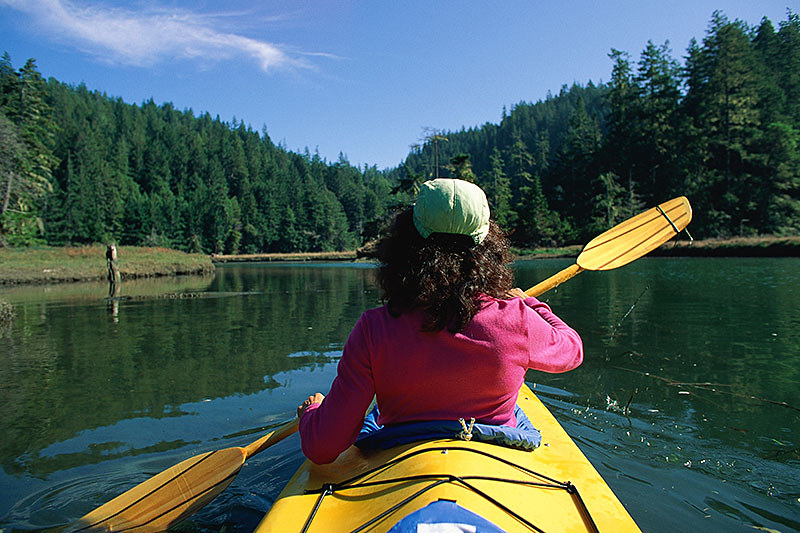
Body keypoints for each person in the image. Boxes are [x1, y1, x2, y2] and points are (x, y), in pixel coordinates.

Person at [297, 178, 583, 464]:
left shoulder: (373, 328)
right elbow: (572, 351)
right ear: (488, 246)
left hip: (401, 451)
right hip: (495, 451)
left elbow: (323, 447)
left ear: (405, 241)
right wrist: (530, 305)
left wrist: (313, 414)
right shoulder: (517, 319)